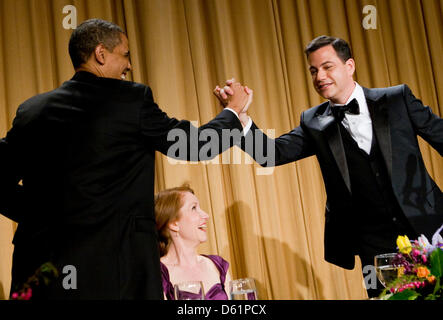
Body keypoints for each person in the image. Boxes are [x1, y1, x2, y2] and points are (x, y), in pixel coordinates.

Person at [0, 18, 250, 299]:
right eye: (125, 55)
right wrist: (232, 113)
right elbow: (194, 146)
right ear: (101, 54)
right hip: (113, 271)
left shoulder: (32, 111)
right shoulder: (131, 101)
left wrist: (43, 216)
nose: (129, 65)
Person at [215, 35, 443, 297]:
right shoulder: (314, 122)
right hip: (375, 247)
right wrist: (239, 115)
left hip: (430, 230)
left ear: (349, 66)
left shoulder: (396, 99)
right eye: (313, 71)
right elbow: (271, 154)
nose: (319, 76)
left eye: (327, 67)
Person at [155, 185, 231, 300]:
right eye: (194, 208)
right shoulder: (158, 274)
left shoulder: (216, 265)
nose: (206, 215)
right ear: (174, 223)